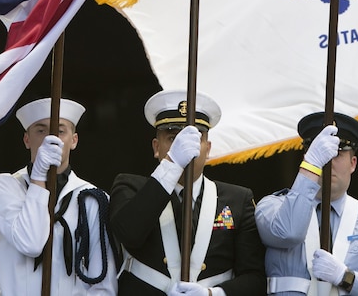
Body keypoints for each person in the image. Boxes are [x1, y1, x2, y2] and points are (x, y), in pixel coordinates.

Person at [110, 90, 265, 295]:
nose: (185, 147)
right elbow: (129, 233)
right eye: (173, 138)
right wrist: (172, 163)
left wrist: (212, 294)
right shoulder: (130, 186)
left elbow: (255, 279)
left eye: (194, 140)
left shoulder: (238, 198)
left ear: (207, 149)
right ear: (157, 147)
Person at [256, 111, 358, 296]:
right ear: (308, 157)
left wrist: (347, 278)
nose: (328, 162)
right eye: (321, 152)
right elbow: (289, 232)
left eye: (337, 153)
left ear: (353, 163)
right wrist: (312, 164)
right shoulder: (271, 207)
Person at [0, 96, 119, 294]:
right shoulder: (3, 186)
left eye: (60, 131)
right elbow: (31, 243)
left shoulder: (93, 199)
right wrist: (39, 176)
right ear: (26, 139)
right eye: (41, 130)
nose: (51, 139)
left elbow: (104, 284)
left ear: (74, 140)